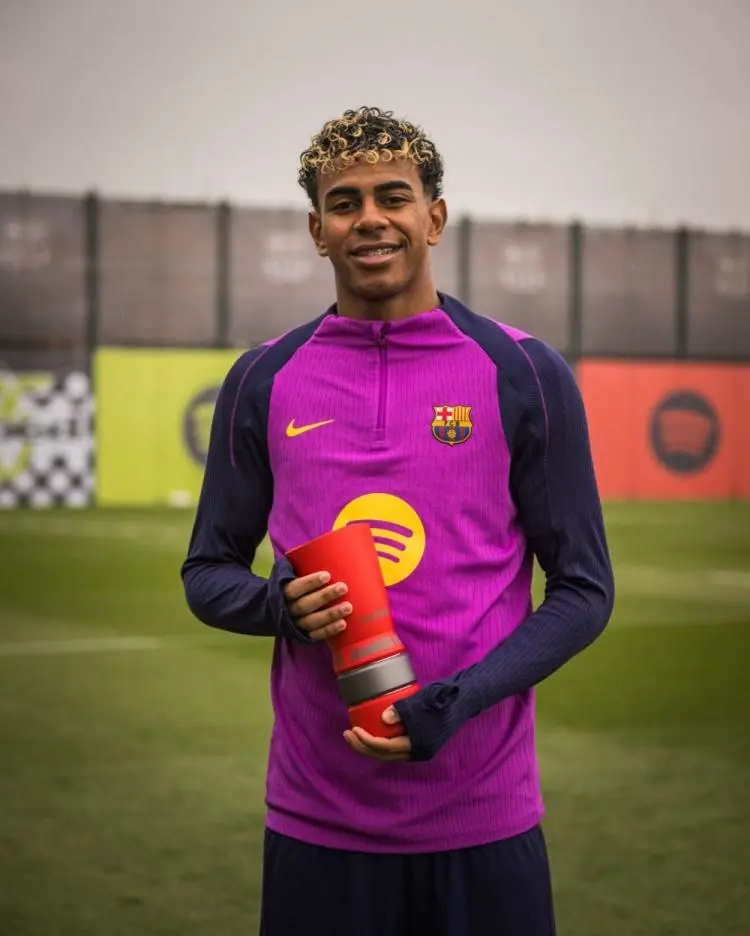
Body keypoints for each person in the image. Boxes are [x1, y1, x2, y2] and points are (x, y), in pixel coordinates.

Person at [181, 105, 615, 936]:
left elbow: (584, 590)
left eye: (393, 196)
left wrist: (460, 700)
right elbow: (207, 572)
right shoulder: (263, 379)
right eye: (344, 203)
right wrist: (278, 605)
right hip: (318, 823)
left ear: (434, 217)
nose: (370, 219)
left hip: (484, 817)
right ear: (318, 231)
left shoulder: (523, 371)